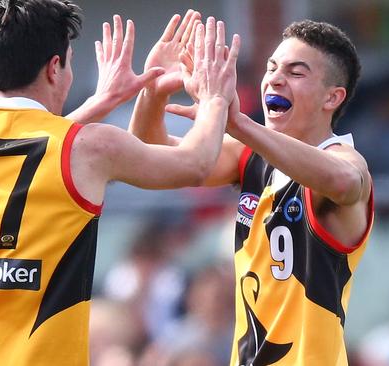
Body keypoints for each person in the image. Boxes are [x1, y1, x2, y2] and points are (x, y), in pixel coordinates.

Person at [0, 1, 240, 365]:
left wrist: (101, 102)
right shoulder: (88, 148)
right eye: (70, 61)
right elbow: (195, 165)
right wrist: (215, 95)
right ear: (54, 68)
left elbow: (31, 154)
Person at [130, 19, 373, 365]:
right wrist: (154, 88)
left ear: (332, 97)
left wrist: (239, 123)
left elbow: (345, 182)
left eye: (296, 72)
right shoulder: (249, 157)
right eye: (271, 68)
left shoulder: (343, 160)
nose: (274, 78)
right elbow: (147, 157)